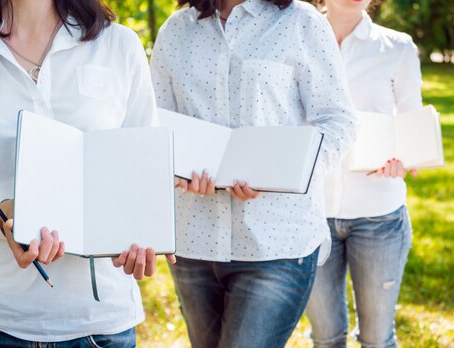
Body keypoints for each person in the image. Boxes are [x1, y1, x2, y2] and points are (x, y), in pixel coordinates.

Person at [0, 0, 175, 346]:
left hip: (99, 322)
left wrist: (140, 233)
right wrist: (0, 216)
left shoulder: (119, 46)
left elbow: (141, 177)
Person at [150, 0, 357, 346]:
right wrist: (176, 170)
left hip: (276, 243)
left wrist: (282, 174)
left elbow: (338, 120)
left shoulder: (300, 22)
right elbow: (156, 123)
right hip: (193, 243)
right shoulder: (176, 30)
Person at [304, 0, 422, 347]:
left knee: (376, 338)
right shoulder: (296, 37)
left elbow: (410, 123)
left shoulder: (397, 47)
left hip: (379, 216)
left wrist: (405, 156)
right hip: (312, 214)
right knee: (325, 336)